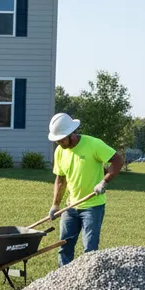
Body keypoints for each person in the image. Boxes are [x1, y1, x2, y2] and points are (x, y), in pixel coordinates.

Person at [47, 112, 125, 266]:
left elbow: (118, 160)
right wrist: (55, 204)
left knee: (90, 249)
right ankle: (63, 281)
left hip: (93, 207)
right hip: (71, 207)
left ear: (72, 134)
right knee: (64, 246)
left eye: (61, 139)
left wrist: (104, 182)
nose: (59, 143)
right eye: (57, 141)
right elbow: (60, 180)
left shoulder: (94, 144)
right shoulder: (60, 151)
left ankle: (89, 284)